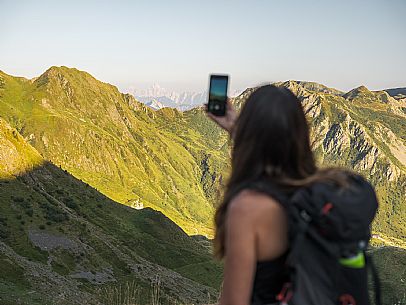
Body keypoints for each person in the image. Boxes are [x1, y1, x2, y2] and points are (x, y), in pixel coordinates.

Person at [205, 85, 377, 305]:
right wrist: (238, 129)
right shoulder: (318, 192)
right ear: (301, 136)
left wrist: (247, 134)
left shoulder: (248, 208)